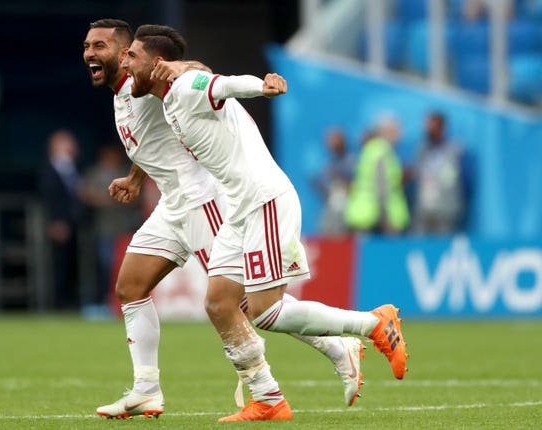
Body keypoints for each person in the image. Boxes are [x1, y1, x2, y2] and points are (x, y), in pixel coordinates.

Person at [83, 19, 367, 420]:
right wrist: (134, 177)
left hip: (206, 201)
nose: (91, 53)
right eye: (87, 46)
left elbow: (195, 73)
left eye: (101, 46)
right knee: (130, 287)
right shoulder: (123, 92)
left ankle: (335, 350)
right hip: (172, 205)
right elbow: (154, 141)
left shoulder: (144, 78)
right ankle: (146, 389)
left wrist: (185, 68)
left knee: (245, 304)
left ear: (127, 53)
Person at [81, 144, 143, 304]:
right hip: (104, 228)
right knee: (105, 265)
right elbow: (85, 193)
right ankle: (104, 300)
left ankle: (121, 301)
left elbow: (137, 195)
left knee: (123, 266)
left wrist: (124, 197)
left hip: (124, 228)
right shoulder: (94, 173)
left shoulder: (125, 172)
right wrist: (107, 198)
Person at [38, 128, 83, 309]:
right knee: (58, 265)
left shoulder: (72, 168)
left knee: (73, 265)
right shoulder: (49, 170)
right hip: (60, 224)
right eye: (66, 142)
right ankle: (57, 304)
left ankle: (70, 301)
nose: (72, 146)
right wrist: (55, 221)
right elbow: (49, 197)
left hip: (75, 224)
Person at [345, 116, 411, 234]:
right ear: (387, 131)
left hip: (361, 213)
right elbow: (382, 188)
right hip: (373, 215)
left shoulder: (370, 149)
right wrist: (386, 219)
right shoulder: (382, 151)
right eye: (396, 130)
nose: (400, 134)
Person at [412, 112, 466, 234]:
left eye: (433, 126)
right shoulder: (422, 150)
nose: (429, 130)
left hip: (445, 208)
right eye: (428, 126)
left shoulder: (453, 150)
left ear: (442, 128)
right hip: (424, 208)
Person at [313, 128, 355, 236]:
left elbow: (355, 183)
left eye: (334, 140)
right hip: (332, 207)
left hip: (348, 208)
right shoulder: (329, 164)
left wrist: (343, 186)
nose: (331, 144)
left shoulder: (352, 160)